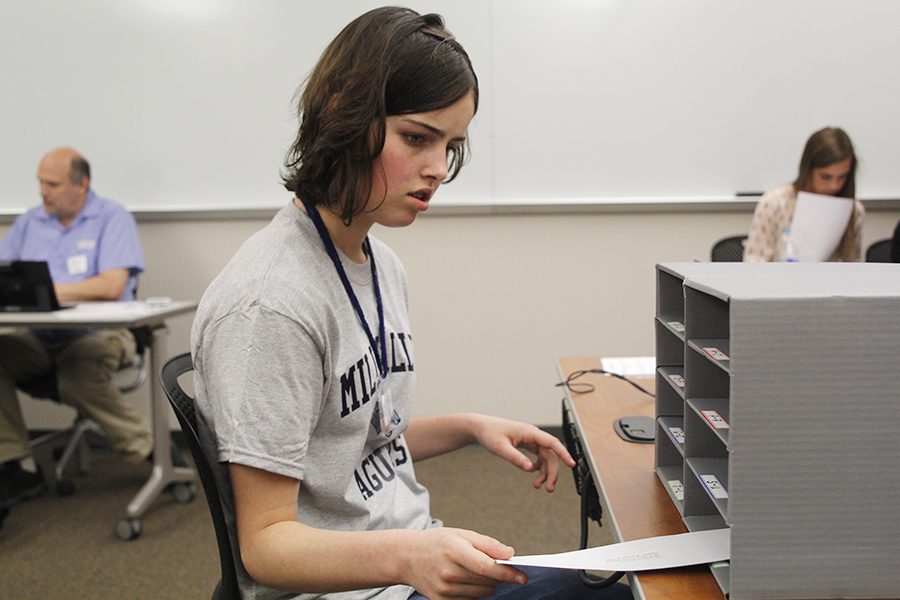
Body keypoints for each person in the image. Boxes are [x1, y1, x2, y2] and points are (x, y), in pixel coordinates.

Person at [191, 7, 630, 600]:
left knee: (623, 585)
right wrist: (411, 555)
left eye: (451, 146)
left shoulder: (379, 263)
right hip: (354, 586)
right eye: (417, 138)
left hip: (400, 563)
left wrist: (469, 427)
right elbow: (266, 544)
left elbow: (351, 440)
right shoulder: (270, 306)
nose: (437, 170)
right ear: (344, 116)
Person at [0, 147, 152, 507]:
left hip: (99, 334)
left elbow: (111, 286)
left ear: (81, 185)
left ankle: (151, 451)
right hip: (38, 338)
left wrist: (49, 290)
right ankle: (15, 463)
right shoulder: (29, 223)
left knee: (78, 371)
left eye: (51, 183)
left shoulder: (111, 217)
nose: (43, 191)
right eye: (40, 182)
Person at [743, 126, 865, 262]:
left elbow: (853, 266)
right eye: (826, 177)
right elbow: (754, 263)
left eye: (842, 177)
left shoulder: (854, 210)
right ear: (808, 170)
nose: (834, 185)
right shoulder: (775, 204)